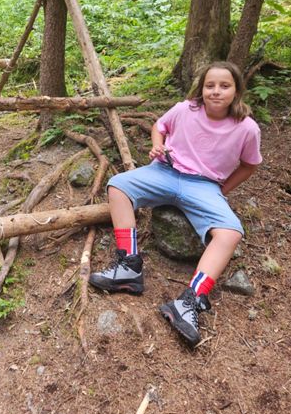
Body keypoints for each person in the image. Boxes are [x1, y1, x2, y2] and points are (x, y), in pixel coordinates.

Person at [89, 61, 262, 347]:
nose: (216, 92)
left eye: (224, 86)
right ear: (201, 88)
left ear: (237, 90)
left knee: (230, 232)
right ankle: (129, 265)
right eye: (210, 85)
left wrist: (223, 189)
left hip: (204, 185)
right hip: (164, 172)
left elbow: (249, 165)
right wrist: (157, 144)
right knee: (119, 185)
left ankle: (191, 300)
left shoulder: (246, 128)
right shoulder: (186, 109)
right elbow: (160, 125)